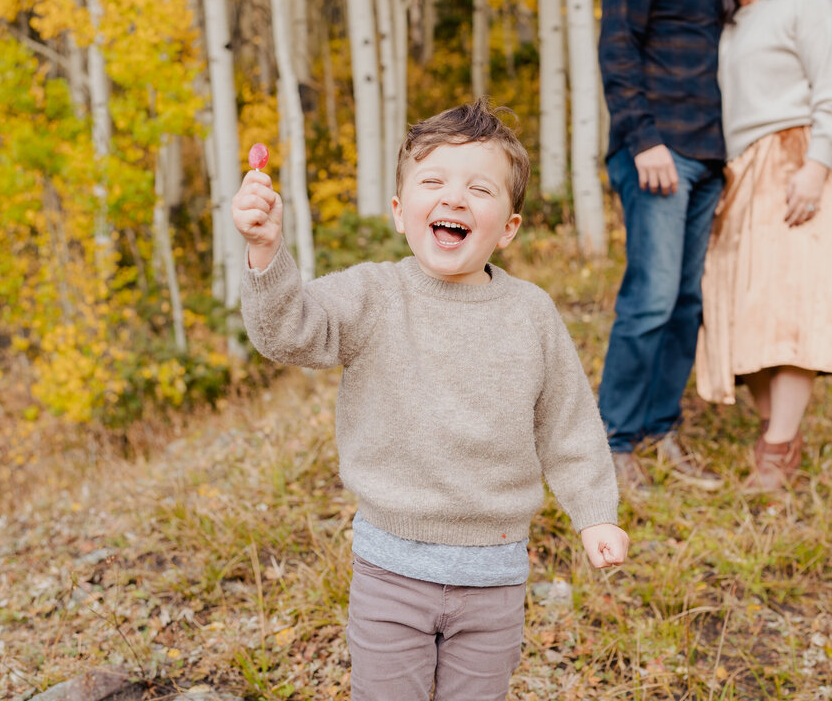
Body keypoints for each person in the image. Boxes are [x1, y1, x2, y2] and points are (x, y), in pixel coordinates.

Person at [231, 99, 630, 700]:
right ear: (400, 211)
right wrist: (266, 253)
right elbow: (290, 332)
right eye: (433, 181)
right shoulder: (374, 294)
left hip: (495, 577)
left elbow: (567, 426)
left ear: (510, 227)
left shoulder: (531, 315)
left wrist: (595, 512)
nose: (454, 199)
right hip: (390, 571)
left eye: (480, 188)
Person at [694, 0, 832, 493]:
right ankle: (776, 435)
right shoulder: (727, 25)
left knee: (791, 305)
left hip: (796, 155)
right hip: (740, 174)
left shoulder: (805, 1)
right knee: (746, 309)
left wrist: (815, 165)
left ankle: (776, 452)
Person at [597, 0, 733, 492]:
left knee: (685, 303)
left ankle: (659, 429)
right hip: (658, 152)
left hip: (709, 157)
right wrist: (643, 138)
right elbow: (618, 48)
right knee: (650, 299)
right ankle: (611, 441)